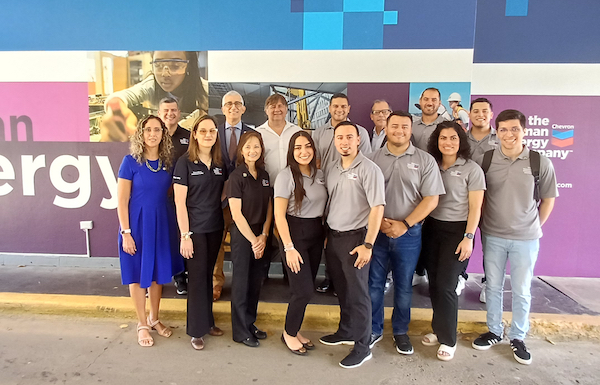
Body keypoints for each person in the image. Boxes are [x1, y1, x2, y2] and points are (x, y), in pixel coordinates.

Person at [472, 109, 558, 365]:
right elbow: (479, 197)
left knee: (521, 290)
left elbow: (548, 200)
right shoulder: (485, 159)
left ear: (524, 131)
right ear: (496, 132)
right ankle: (494, 331)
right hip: (493, 235)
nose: (509, 134)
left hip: (526, 238)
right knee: (493, 286)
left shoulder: (538, 161)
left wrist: (531, 226)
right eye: (504, 130)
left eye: (515, 129)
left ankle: (518, 337)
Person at [367, 111, 444, 355]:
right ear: (385, 128)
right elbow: (362, 195)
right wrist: (378, 224)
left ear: (411, 130)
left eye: (404, 126)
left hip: (409, 235)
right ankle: (374, 329)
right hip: (376, 233)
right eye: (394, 126)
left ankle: (400, 332)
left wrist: (405, 224)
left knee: (403, 287)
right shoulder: (371, 159)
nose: (399, 130)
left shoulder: (425, 160)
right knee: (374, 285)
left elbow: (431, 199)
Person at [319, 121, 385, 369]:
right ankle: (345, 331)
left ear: (358, 140)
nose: (344, 142)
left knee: (358, 294)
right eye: (340, 138)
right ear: (334, 141)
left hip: (357, 239)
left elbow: (378, 207)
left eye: (349, 137)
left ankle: (362, 345)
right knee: (343, 291)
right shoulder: (332, 167)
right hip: (333, 237)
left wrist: (368, 244)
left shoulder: (370, 169)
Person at [116, 115, 184, 347]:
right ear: (140, 134)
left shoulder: (169, 163)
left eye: (157, 130)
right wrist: (126, 232)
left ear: (163, 134)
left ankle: (155, 318)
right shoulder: (130, 162)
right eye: (148, 130)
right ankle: (142, 324)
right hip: (136, 224)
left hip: (162, 223)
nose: (152, 134)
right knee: (136, 275)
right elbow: (122, 200)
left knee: (158, 274)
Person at [420, 121, 485, 361]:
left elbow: (476, 207)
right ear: (436, 142)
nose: (448, 142)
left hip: (457, 232)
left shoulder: (472, 169)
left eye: (453, 138)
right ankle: (439, 329)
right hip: (432, 228)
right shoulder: (431, 165)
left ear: (461, 141)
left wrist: (468, 237)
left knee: (447, 285)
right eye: (443, 138)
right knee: (435, 283)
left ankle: (449, 339)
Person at [173, 116, 226, 351]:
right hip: (194, 232)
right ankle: (196, 330)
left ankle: (208, 322)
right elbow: (179, 202)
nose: (208, 135)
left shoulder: (220, 163)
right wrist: (185, 235)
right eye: (203, 131)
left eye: (212, 131)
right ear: (194, 134)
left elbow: (225, 193)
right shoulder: (184, 163)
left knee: (207, 277)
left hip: (214, 229)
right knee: (196, 280)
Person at [312, 93, 372, 294]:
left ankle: (345, 283)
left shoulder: (360, 132)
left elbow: (366, 160)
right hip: (327, 185)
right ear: (329, 108)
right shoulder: (319, 132)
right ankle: (331, 277)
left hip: (351, 188)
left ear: (349, 108)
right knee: (330, 234)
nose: (339, 109)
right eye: (335, 106)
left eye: (343, 106)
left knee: (348, 235)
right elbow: (316, 162)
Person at [274, 131, 327, 355]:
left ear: (313, 149)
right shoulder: (285, 176)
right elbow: (279, 216)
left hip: (316, 233)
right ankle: (288, 332)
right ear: (291, 152)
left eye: (307, 147)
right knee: (303, 290)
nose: (303, 152)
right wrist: (288, 247)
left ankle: (295, 331)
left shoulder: (321, 174)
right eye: (297, 148)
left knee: (305, 288)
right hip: (294, 234)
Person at [228, 131, 273, 347]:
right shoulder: (236, 177)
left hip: (260, 234)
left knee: (255, 282)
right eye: (248, 147)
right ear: (241, 150)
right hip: (243, 234)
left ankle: (249, 322)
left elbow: (269, 208)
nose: (252, 150)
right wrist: (254, 240)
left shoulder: (264, 176)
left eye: (256, 146)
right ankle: (239, 331)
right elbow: (236, 214)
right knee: (241, 283)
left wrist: (264, 235)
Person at [101, 51, 208, 142]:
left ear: (189, 66)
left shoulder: (205, 89)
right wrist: (117, 112)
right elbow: (120, 97)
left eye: (175, 66)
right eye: (158, 65)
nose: (165, 74)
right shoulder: (152, 84)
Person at [213, 90, 256, 301]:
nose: (233, 107)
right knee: (217, 241)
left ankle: (244, 283)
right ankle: (216, 282)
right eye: (228, 104)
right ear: (222, 109)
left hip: (244, 199)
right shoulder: (213, 132)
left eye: (237, 103)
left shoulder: (252, 134)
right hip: (217, 199)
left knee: (242, 242)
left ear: (243, 108)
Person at [411, 88, 449, 285]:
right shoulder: (412, 125)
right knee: (416, 225)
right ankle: (418, 270)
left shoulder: (445, 127)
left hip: (437, 182)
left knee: (434, 227)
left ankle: (432, 271)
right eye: (426, 99)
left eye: (434, 100)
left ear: (439, 103)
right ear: (420, 101)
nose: (429, 103)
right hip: (412, 183)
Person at [158, 97, 191, 296]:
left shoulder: (188, 137)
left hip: (182, 197)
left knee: (182, 236)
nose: (170, 114)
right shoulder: (152, 135)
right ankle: (158, 278)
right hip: (158, 196)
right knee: (161, 237)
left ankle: (180, 276)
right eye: (166, 110)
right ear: (159, 113)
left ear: (179, 113)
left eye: (173, 110)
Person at [466, 97, 498, 302]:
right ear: (469, 114)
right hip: (463, 198)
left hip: (493, 198)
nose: (480, 114)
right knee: (463, 238)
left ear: (491, 114)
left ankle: (489, 282)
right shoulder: (460, 137)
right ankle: (460, 275)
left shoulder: (501, 138)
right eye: (476, 111)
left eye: (484, 111)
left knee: (491, 244)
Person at [255, 94, 302, 184]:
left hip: (294, 185)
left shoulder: (297, 131)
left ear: (286, 109)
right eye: (273, 107)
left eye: (280, 106)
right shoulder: (258, 133)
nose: (277, 110)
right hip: (266, 186)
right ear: (266, 110)